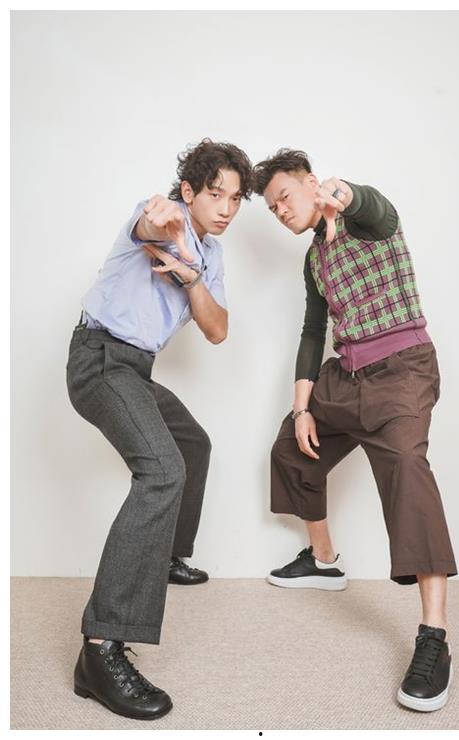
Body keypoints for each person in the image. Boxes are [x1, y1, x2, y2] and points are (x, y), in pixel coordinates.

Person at [253, 148, 457, 712]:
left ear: (311, 183)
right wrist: (302, 408)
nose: (280, 211)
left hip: (403, 372)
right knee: (289, 448)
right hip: (346, 376)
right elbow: (312, 330)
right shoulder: (313, 259)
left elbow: (372, 205)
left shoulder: (367, 221)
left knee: (408, 471)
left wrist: (345, 194)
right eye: (272, 208)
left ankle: (434, 636)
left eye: (284, 197)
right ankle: (323, 561)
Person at [66, 138, 252, 719]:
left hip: (136, 369)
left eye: (236, 198)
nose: (226, 208)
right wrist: (164, 222)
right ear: (190, 191)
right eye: (215, 194)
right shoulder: (158, 216)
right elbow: (151, 223)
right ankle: (100, 649)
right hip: (99, 358)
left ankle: (164, 555)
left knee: (192, 444)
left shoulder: (211, 254)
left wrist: (193, 276)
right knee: (162, 470)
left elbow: (217, 330)